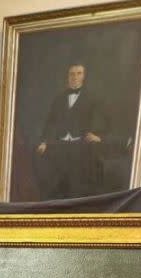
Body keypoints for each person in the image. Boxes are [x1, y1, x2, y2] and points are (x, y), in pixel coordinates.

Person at [35, 63, 107, 200]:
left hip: (80, 147)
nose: (75, 77)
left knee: (77, 188)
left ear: (84, 76)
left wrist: (98, 135)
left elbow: (104, 119)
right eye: (72, 74)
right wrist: (44, 141)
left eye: (78, 73)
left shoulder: (91, 98)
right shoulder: (59, 99)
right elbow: (50, 123)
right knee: (56, 187)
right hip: (60, 147)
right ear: (67, 77)